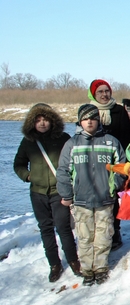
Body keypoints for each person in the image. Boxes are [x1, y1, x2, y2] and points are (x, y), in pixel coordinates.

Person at [56, 104, 126, 286]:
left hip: (105, 198)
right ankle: (87, 269)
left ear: (98, 120)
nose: (89, 121)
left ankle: (101, 267)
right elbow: (63, 171)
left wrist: (114, 186)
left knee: (104, 234)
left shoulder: (110, 141)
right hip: (81, 200)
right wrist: (66, 194)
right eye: (86, 118)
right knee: (85, 236)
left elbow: (122, 167)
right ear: (80, 121)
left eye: (93, 118)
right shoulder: (72, 144)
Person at [14, 103, 80, 282]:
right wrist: (28, 176)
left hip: (59, 191)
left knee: (64, 227)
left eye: (45, 119)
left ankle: (73, 260)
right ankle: (54, 264)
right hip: (38, 193)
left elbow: (74, 161)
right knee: (46, 229)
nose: (42, 123)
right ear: (32, 123)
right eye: (38, 120)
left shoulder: (63, 138)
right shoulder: (28, 142)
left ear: (52, 121)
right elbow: (18, 164)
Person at [88, 79, 130, 251]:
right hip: (94, 159)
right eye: (100, 92)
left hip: (115, 157)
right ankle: (96, 233)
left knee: (112, 194)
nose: (104, 94)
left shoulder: (119, 110)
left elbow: (126, 135)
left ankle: (115, 232)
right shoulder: (89, 111)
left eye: (107, 91)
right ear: (94, 94)